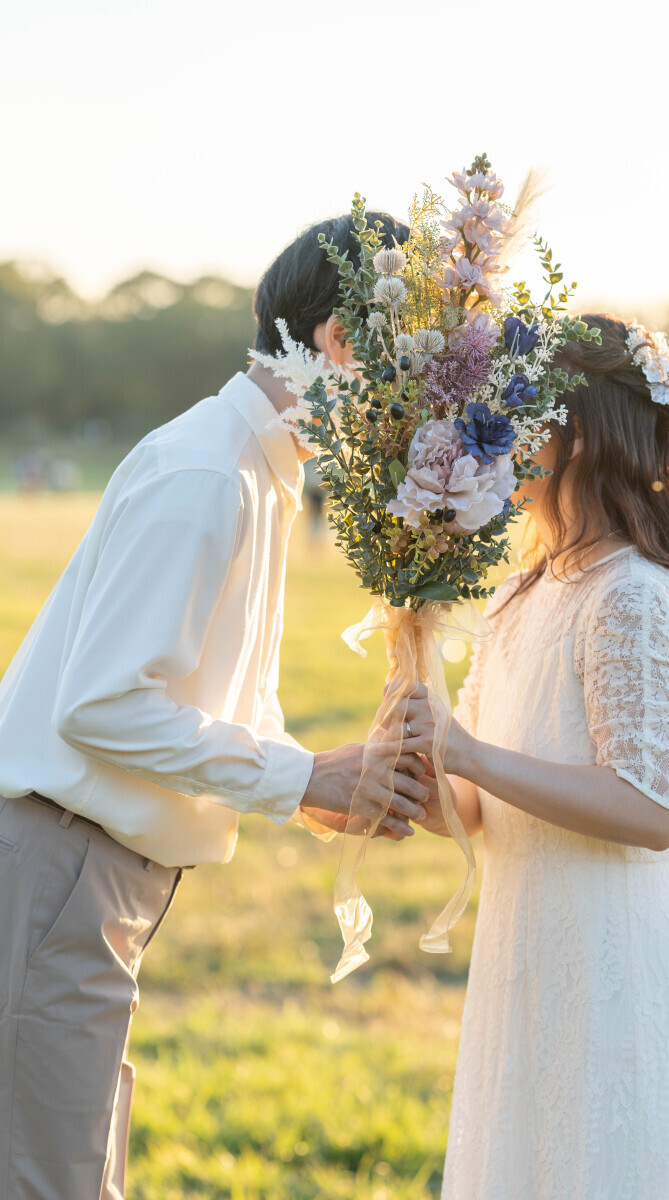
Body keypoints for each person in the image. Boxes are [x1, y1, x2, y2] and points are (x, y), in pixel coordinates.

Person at [0, 212, 430, 1200]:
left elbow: (201, 693)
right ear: (336, 342)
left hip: (87, 876)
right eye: (406, 363)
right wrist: (298, 777)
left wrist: (317, 788)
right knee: (48, 1181)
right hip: (60, 867)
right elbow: (102, 705)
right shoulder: (208, 475)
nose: (417, 403)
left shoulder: (259, 475)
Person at [404, 315, 669, 1198]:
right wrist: (414, 765)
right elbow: (469, 804)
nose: (496, 442)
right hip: (526, 959)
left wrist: (464, 751)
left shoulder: (635, 595)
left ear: (577, 436)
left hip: (613, 968)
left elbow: (651, 810)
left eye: (519, 418)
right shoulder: (517, 594)